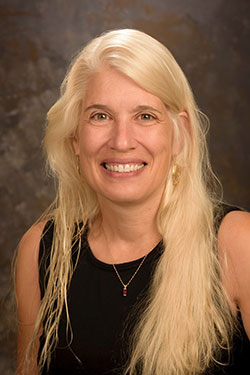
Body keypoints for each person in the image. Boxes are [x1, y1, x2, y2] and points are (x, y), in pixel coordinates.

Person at [16, 29, 250, 375]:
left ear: (179, 134)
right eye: (100, 116)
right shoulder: (40, 250)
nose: (122, 141)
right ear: (75, 137)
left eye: (145, 116)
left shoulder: (238, 243)